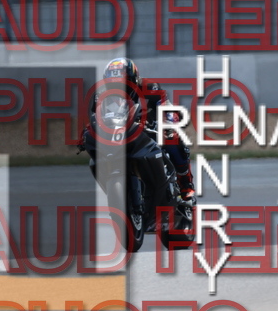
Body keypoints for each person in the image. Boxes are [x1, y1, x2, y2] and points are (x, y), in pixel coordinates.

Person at [80, 57, 196, 204]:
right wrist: (87, 132)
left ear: (134, 79)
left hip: (149, 128)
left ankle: (185, 183)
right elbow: (96, 116)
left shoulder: (150, 87)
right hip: (119, 132)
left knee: (173, 138)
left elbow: (166, 107)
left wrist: (170, 122)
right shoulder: (101, 94)